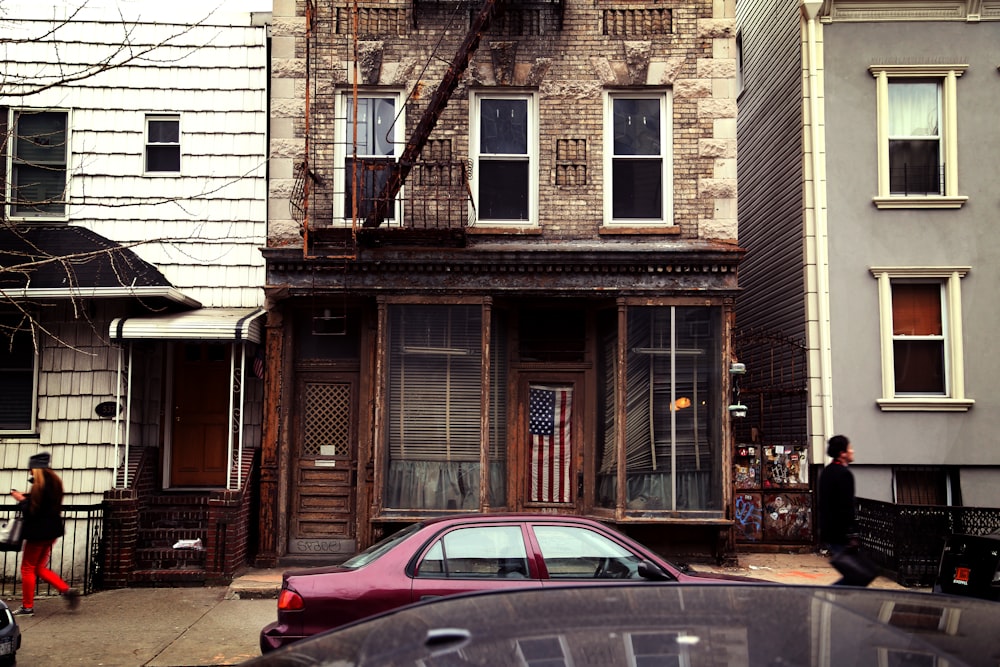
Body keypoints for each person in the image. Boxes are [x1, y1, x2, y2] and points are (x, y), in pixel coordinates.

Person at [9, 452, 80, 614]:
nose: (29, 472)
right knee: (38, 567)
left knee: (27, 568)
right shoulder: (54, 483)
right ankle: (66, 590)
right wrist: (28, 497)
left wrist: (21, 499)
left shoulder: (39, 486)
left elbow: (33, 511)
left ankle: (27, 607)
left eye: (30, 469)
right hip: (51, 532)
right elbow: (44, 504)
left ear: (35, 469)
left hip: (37, 533)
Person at [818, 434, 872, 586]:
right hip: (841, 534)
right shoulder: (844, 474)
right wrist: (852, 533)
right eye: (850, 448)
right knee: (857, 576)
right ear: (842, 453)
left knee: (855, 575)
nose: (853, 451)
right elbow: (846, 506)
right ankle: (827, 596)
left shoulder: (827, 472)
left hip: (831, 532)